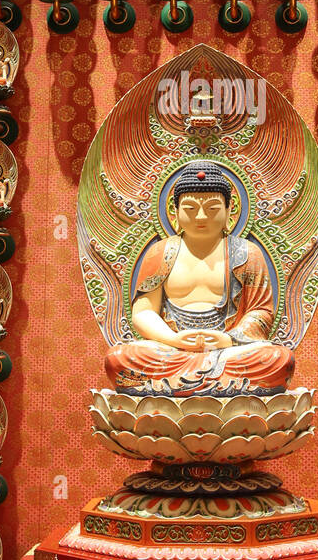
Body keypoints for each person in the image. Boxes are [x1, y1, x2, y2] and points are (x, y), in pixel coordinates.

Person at [103, 160, 294, 396]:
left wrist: (227, 339)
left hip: (228, 350)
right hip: (170, 350)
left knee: (277, 359)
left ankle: (178, 386)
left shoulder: (247, 254)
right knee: (119, 359)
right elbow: (143, 312)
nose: (201, 216)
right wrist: (174, 339)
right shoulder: (161, 253)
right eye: (190, 209)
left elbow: (261, 313)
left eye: (213, 208)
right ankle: (217, 386)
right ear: (175, 213)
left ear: (228, 211)